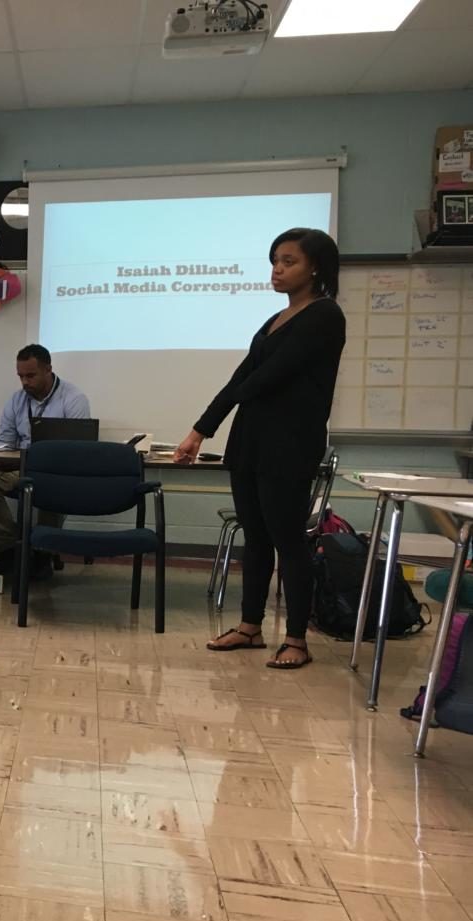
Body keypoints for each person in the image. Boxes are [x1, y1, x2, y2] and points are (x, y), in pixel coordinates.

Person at [175, 227, 345, 670]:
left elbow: (270, 377)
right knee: (256, 539)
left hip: (290, 444)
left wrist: (224, 408)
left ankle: (296, 640)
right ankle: (250, 627)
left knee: (289, 541)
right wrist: (200, 430)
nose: (278, 269)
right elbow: (239, 378)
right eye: (275, 260)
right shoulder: (272, 322)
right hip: (250, 441)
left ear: (315, 267)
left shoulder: (326, 316)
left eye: (289, 261)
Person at [0, 344, 90, 578]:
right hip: (21, 466)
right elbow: (4, 441)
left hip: (57, 470)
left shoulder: (74, 399)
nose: (24, 382)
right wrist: (1, 457)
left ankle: (43, 555)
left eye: (31, 375)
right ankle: (10, 551)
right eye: (21, 376)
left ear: (48, 370)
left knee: (50, 485)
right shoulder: (16, 401)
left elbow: (79, 450)